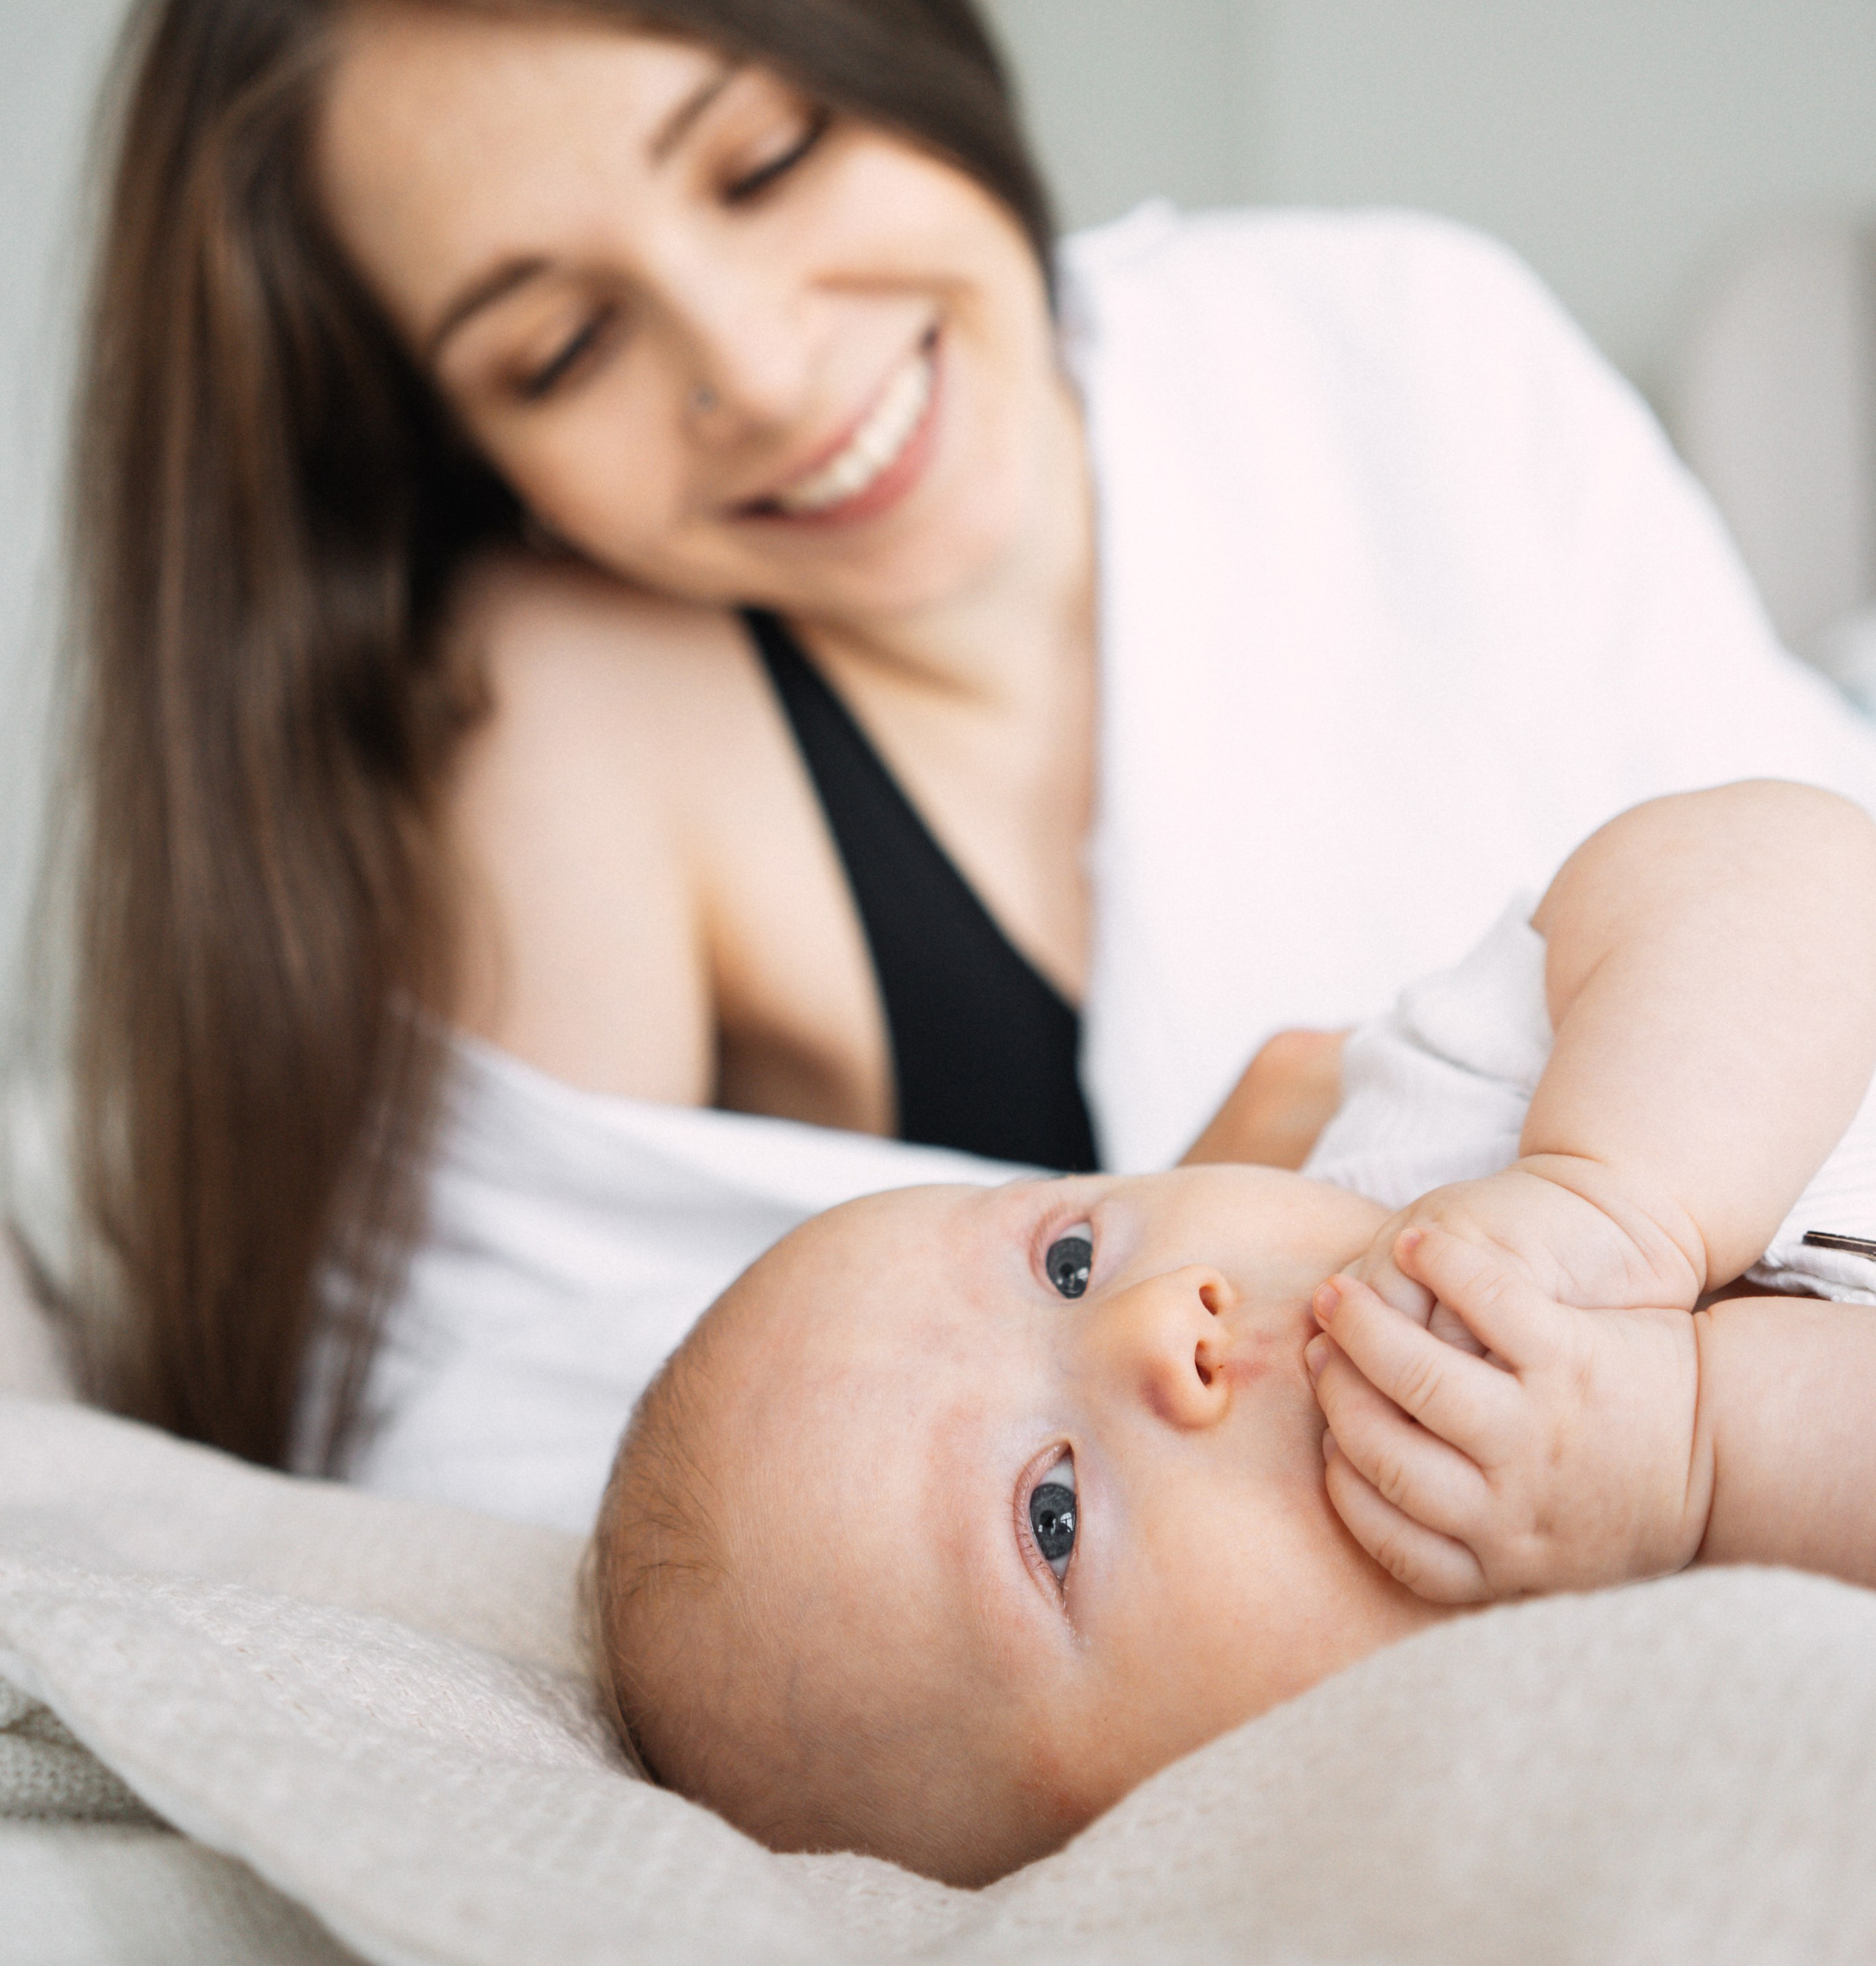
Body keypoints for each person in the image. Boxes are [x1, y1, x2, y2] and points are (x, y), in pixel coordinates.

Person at [45, 0, 1876, 1519]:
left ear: (886, 18)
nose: (759, 368)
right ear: (458, 450)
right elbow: (495, 1457)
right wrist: (1180, 1230)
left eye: (764, 162)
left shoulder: (1399, 348)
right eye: (561, 346)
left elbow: (1810, 914)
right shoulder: (575, 702)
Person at [586, 782, 1876, 1887]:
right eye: (1053, 1518)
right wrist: (1691, 1459)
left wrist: (1611, 1187)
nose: (1162, 1318)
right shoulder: (1553, 1803)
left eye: (1071, 1260)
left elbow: (1787, 869)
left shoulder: (1415, 1140)